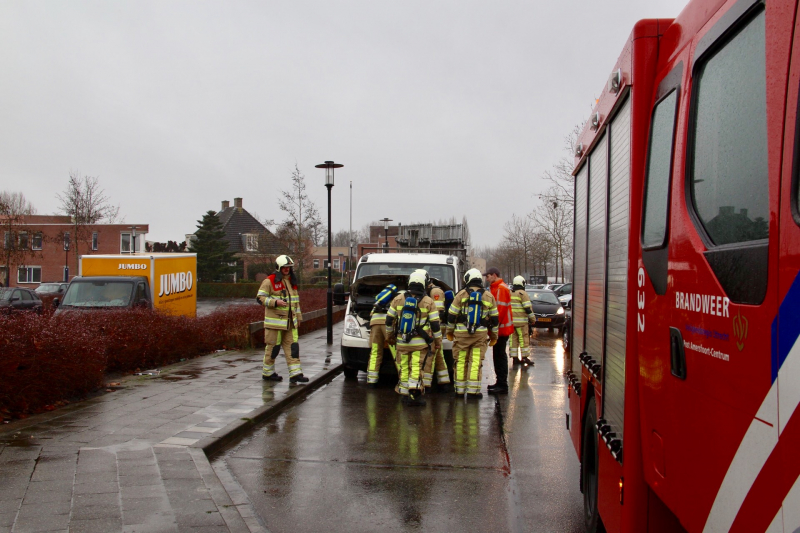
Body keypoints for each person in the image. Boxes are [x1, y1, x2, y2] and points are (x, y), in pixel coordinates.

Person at [385, 270, 442, 406]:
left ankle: (404, 393)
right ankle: (414, 395)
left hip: (402, 342)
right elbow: (435, 325)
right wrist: (437, 341)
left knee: (404, 367)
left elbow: (388, 320)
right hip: (420, 344)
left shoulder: (398, 299)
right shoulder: (428, 301)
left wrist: (390, 337)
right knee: (416, 367)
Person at [256, 255, 309, 383]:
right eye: (285, 267)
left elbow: (296, 302)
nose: (287, 270)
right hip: (275, 324)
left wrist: (299, 317)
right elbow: (260, 298)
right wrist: (275, 302)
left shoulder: (292, 281)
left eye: (289, 267)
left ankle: (295, 374)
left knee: (293, 348)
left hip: (290, 323)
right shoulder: (269, 281)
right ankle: (268, 373)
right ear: (279, 267)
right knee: (273, 349)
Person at [447, 268, 498, 399]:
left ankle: (459, 391)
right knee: (475, 362)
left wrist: (450, 332)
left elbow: (452, 315)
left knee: (460, 361)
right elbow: (494, 320)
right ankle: (473, 392)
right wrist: (493, 337)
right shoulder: (488, 296)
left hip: (461, 335)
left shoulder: (461, 295)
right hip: (479, 336)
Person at [415, 269, 452, 393]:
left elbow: (438, 313)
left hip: (435, 327)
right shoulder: (425, 290)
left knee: (430, 355)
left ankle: (426, 384)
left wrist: (431, 331)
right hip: (431, 327)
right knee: (438, 353)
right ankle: (444, 382)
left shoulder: (435, 291)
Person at [484, 267, 513, 394]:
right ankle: (500, 382)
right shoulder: (497, 288)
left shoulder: (501, 289)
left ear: (494, 275)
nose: (486, 278)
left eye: (488, 276)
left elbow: (499, 312)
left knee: (500, 356)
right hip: (501, 329)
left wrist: (492, 327)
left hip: (501, 330)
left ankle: (502, 384)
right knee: (498, 355)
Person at [366, 283, 399, 388]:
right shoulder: (397, 298)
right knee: (396, 352)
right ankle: (403, 379)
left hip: (375, 323)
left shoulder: (379, 299)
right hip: (387, 324)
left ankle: (372, 380)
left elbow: (371, 314)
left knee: (375, 352)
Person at [510, 275, 536, 366]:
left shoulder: (511, 293)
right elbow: (527, 308)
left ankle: (515, 358)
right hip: (521, 323)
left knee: (513, 340)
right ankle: (525, 357)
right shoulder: (522, 293)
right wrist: (532, 319)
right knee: (523, 339)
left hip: (512, 323)